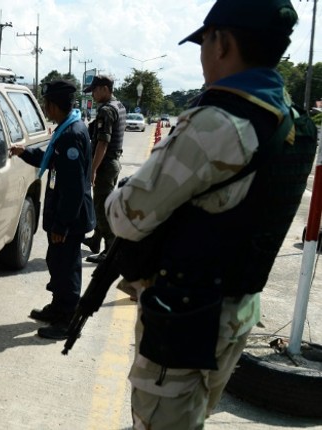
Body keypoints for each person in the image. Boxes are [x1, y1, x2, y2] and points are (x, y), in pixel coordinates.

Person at [104, 1, 311, 428]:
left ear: (222, 42)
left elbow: (125, 215)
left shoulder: (217, 123)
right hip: (235, 312)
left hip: (184, 320)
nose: (200, 56)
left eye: (204, 42)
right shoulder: (291, 119)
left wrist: (121, 191)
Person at [9, 80, 95, 340]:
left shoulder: (71, 135)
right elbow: (49, 159)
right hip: (64, 216)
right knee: (57, 264)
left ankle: (68, 320)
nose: (44, 108)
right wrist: (24, 152)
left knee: (67, 269)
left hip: (69, 219)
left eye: (45, 103)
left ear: (54, 105)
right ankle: (58, 308)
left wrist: (62, 225)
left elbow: (74, 189)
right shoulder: (67, 128)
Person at [82, 75, 126, 263]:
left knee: (102, 206)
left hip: (105, 164)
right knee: (102, 202)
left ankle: (109, 250)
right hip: (113, 163)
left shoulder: (107, 111)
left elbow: (102, 143)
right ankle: (96, 239)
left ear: (105, 89)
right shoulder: (119, 106)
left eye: (94, 90)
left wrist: (92, 169)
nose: (92, 94)